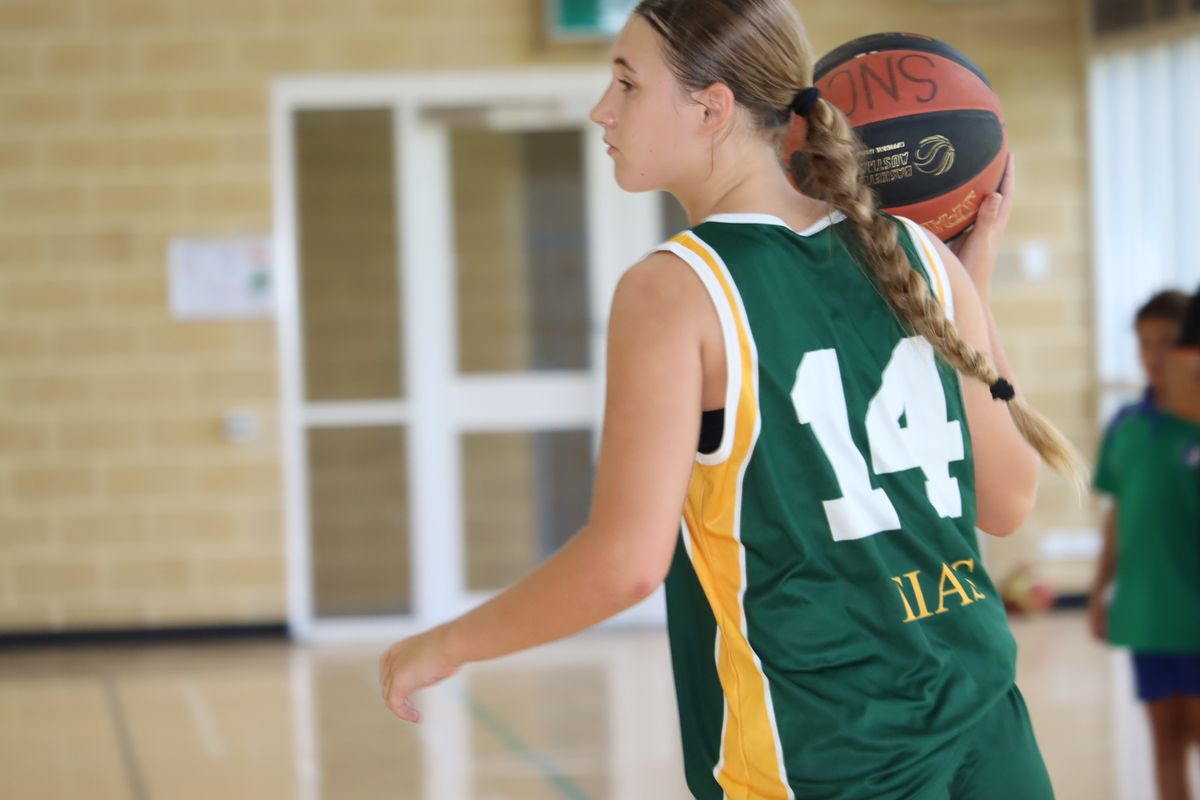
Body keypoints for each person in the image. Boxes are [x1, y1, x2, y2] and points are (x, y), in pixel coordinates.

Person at [380, 1, 1082, 795]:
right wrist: (968, 286)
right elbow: (1008, 502)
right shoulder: (920, 255)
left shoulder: (676, 290)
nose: (602, 110)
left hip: (821, 751)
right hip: (991, 738)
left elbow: (626, 565)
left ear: (712, 108)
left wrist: (442, 645)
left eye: (626, 84)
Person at [1089, 290, 1200, 800]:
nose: (1154, 355)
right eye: (1144, 343)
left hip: (1194, 613)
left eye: (1167, 341)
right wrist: (1099, 592)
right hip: (1150, 615)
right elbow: (1118, 515)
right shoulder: (1126, 426)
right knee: (1166, 741)